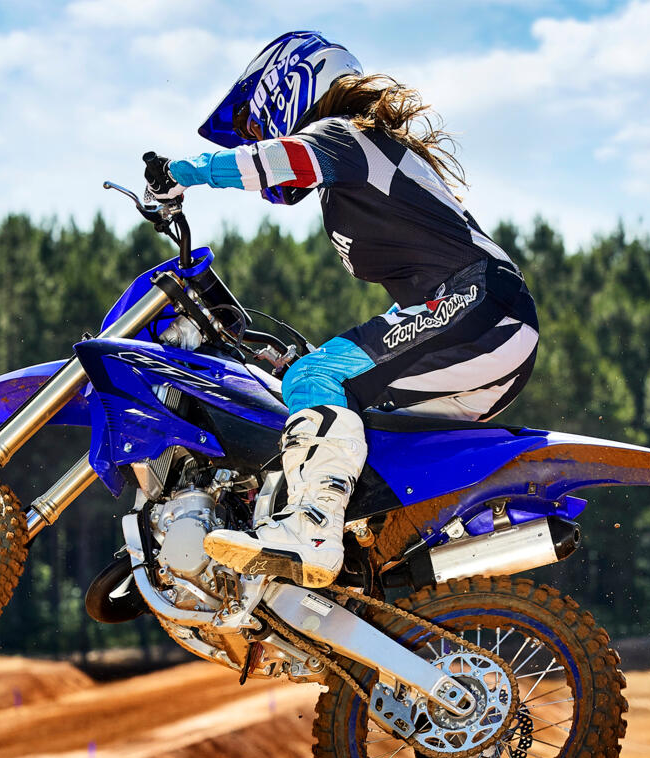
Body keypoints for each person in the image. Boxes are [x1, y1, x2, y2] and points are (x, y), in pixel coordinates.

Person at [160, 31, 539, 588]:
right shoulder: (361, 156)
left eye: (256, 123)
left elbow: (281, 160)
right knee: (327, 402)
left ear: (287, 87)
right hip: (483, 325)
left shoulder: (346, 135)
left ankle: (311, 531)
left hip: (478, 307)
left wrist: (181, 172)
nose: (258, 133)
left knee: (317, 376)